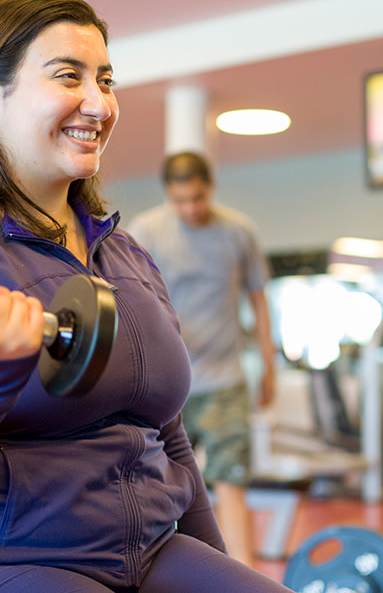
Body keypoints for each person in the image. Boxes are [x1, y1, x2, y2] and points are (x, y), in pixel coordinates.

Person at [0, 0, 291, 593]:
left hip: (138, 552)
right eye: (67, 76)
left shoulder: (124, 255)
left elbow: (169, 436)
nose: (97, 102)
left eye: (105, 80)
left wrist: (219, 569)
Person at [126, 152, 277, 567]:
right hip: (169, 383)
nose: (190, 208)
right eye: (180, 201)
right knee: (163, 485)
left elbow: (259, 300)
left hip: (225, 378)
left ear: (209, 187)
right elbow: (131, 301)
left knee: (232, 479)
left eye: (196, 198)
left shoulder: (237, 232)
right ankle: (173, 572)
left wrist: (269, 364)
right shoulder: (147, 232)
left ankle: (244, 572)